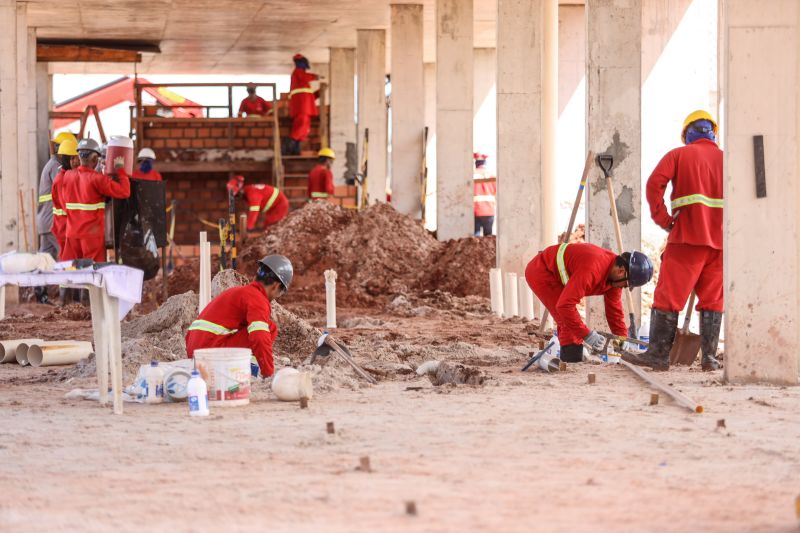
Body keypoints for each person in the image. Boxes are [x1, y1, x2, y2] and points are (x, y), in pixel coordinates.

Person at [624, 110, 723, 372]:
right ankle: (710, 359)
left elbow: (654, 184)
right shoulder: (728, 160)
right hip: (721, 244)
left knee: (669, 297)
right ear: (713, 132)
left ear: (688, 134)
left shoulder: (678, 155)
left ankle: (657, 355)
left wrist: (664, 219)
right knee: (713, 300)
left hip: (687, 238)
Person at [525, 242, 653, 363]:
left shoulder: (614, 277)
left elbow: (615, 311)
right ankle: (571, 363)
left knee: (570, 321)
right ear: (621, 272)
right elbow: (565, 306)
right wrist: (587, 335)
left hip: (558, 276)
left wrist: (620, 339)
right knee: (567, 321)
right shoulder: (593, 268)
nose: (624, 288)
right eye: (627, 284)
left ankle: (572, 357)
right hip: (542, 272)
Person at [185, 255, 293, 378]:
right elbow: (259, 338)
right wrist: (268, 372)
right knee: (268, 328)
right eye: (281, 292)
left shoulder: (238, 292)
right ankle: (249, 371)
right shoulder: (258, 299)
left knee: (256, 327)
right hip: (210, 355)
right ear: (276, 285)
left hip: (194, 354)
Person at [53, 138, 131, 262]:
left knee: (71, 271)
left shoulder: (67, 176)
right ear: (95, 159)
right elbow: (124, 191)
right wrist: (120, 170)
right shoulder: (97, 179)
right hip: (92, 237)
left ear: (79, 157)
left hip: (72, 234)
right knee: (93, 272)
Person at [34, 131, 77, 303]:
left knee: (45, 258)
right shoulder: (55, 167)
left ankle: (40, 292)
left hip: (45, 220)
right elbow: (66, 187)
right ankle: (65, 297)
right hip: (52, 221)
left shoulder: (52, 164)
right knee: (65, 257)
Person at [50, 139, 81, 258]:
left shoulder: (68, 177)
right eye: (73, 158)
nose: (77, 162)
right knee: (67, 261)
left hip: (67, 226)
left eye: (77, 158)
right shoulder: (61, 179)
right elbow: (67, 206)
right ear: (67, 160)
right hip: (63, 227)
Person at [285, 53, 320, 156]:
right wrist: (316, 76)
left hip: (303, 108)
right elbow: (305, 77)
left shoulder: (301, 81)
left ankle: (295, 150)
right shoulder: (298, 73)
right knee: (301, 128)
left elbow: (308, 97)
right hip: (302, 108)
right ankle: (287, 147)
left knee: (303, 131)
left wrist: (318, 93)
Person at [473, 153, 497, 237]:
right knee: (488, 239)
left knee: (475, 239)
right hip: (489, 211)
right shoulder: (492, 175)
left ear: (476, 163)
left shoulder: (471, 175)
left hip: (475, 211)